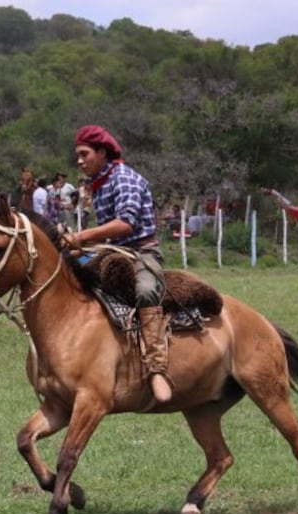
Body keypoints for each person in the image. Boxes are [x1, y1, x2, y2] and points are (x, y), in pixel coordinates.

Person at [68, 124, 172, 402]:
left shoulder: (123, 178)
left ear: (102, 152)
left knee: (146, 290)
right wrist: (74, 250)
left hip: (141, 253)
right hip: (112, 252)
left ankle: (156, 368)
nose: (79, 160)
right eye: (77, 155)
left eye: (84, 154)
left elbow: (125, 224)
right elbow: (106, 235)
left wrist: (81, 236)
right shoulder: (99, 184)